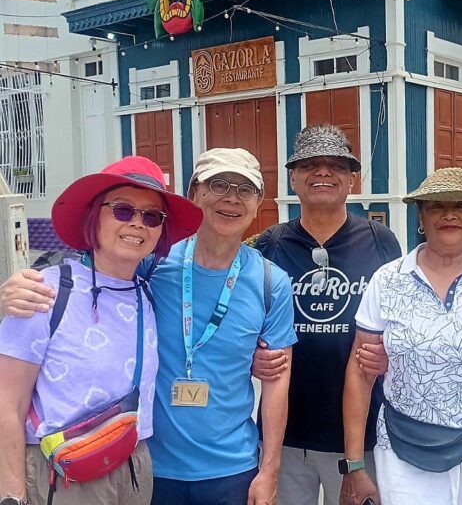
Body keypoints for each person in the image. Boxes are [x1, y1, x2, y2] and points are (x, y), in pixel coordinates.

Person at [0, 148, 297, 505]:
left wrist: (270, 471)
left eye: (245, 189)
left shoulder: (270, 282)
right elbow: (97, 266)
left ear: (258, 201)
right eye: (218, 185)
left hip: (230, 467)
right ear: (195, 194)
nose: (231, 198)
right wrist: (13, 289)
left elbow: (278, 379)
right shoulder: (153, 264)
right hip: (144, 465)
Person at [0, 156, 202, 505]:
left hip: (133, 464)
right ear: (94, 216)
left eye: (151, 216)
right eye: (123, 210)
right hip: (62, 474)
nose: (138, 224)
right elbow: (8, 403)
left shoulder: (149, 291)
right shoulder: (44, 293)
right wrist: (11, 495)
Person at [339, 167, 462, 505]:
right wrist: (355, 463)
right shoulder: (387, 280)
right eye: (436, 206)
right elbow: (360, 375)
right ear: (421, 215)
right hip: (404, 450)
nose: (449, 214)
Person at [250, 125, 402, 505]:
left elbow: (404, 322)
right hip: (285, 434)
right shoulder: (269, 244)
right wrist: (250, 355)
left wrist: (391, 353)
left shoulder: (380, 240)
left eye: (336, 165)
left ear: (353, 179)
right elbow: (242, 323)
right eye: (310, 165)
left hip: (361, 436)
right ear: (293, 177)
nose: (322, 172)